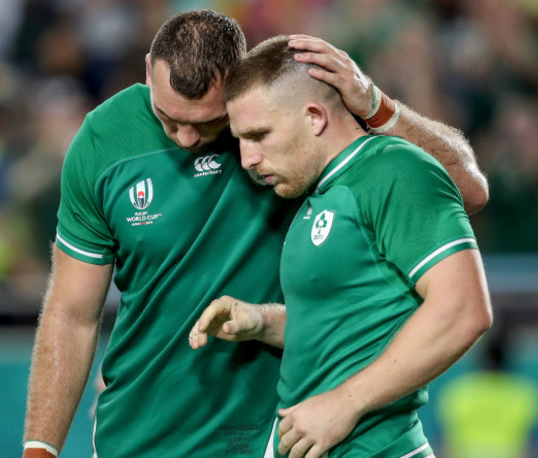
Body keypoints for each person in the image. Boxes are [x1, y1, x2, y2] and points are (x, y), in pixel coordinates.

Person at [23, 9, 488, 458]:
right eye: (168, 118)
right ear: (148, 71)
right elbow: (71, 312)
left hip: (277, 432)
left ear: (238, 83)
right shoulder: (105, 140)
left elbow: (459, 189)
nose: (185, 139)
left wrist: (375, 104)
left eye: (207, 122)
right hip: (140, 433)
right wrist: (41, 448)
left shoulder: (297, 133)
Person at [189, 35, 493, 458]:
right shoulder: (321, 194)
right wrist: (261, 320)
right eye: (241, 139)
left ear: (314, 116)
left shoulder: (393, 169)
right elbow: (343, 329)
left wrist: (345, 403)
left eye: (259, 135)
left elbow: (464, 310)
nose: (247, 159)